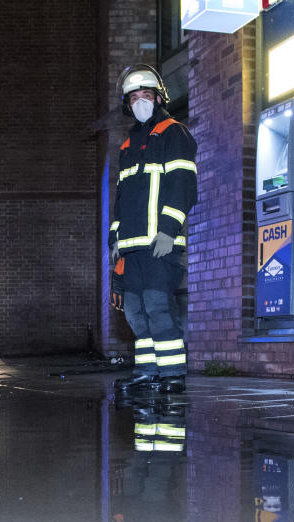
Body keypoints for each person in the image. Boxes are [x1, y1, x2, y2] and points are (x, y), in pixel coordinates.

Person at [109, 65, 197, 395]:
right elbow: (121, 197)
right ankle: (147, 370)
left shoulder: (175, 133)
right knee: (135, 311)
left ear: (159, 97)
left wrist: (169, 230)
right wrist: (115, 238)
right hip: (131, 248)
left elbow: (183, 185)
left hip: (160, 244)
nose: (139, 101)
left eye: (145, 95)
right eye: (133, 98)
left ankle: (172, 373)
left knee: (158, 306)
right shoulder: (127, 145)